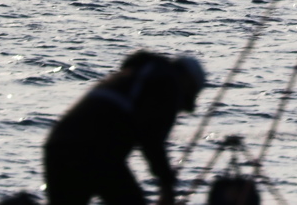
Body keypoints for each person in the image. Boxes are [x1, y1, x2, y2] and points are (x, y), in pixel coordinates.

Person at [44, 51, 206, 205]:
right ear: (187, 80)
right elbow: (151, 140)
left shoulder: (131, 77)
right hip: (97, 152)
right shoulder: (169, 83)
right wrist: (167, 187)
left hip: (57, 144)